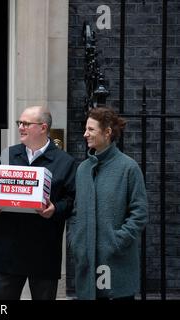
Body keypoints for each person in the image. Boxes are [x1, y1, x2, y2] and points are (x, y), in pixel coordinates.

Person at [0, 106, 76, 300]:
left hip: (44, 251)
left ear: (43, 127)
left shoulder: (65, 161)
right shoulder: (8, 155)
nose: (20, 127)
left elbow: (71, 200)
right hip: (9, 250)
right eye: (19, 123)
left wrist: (55, 209)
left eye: (26, 124)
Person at [68, 107, 148, 300]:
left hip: (115, 262)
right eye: (86, 129)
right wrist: (75, 240)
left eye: (91, 129)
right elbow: (76, 211)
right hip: (87, 262)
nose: (85, 134)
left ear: (107, 132)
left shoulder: (128, 167)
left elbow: (140, 213)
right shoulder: (83, 169)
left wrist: (116, 242)